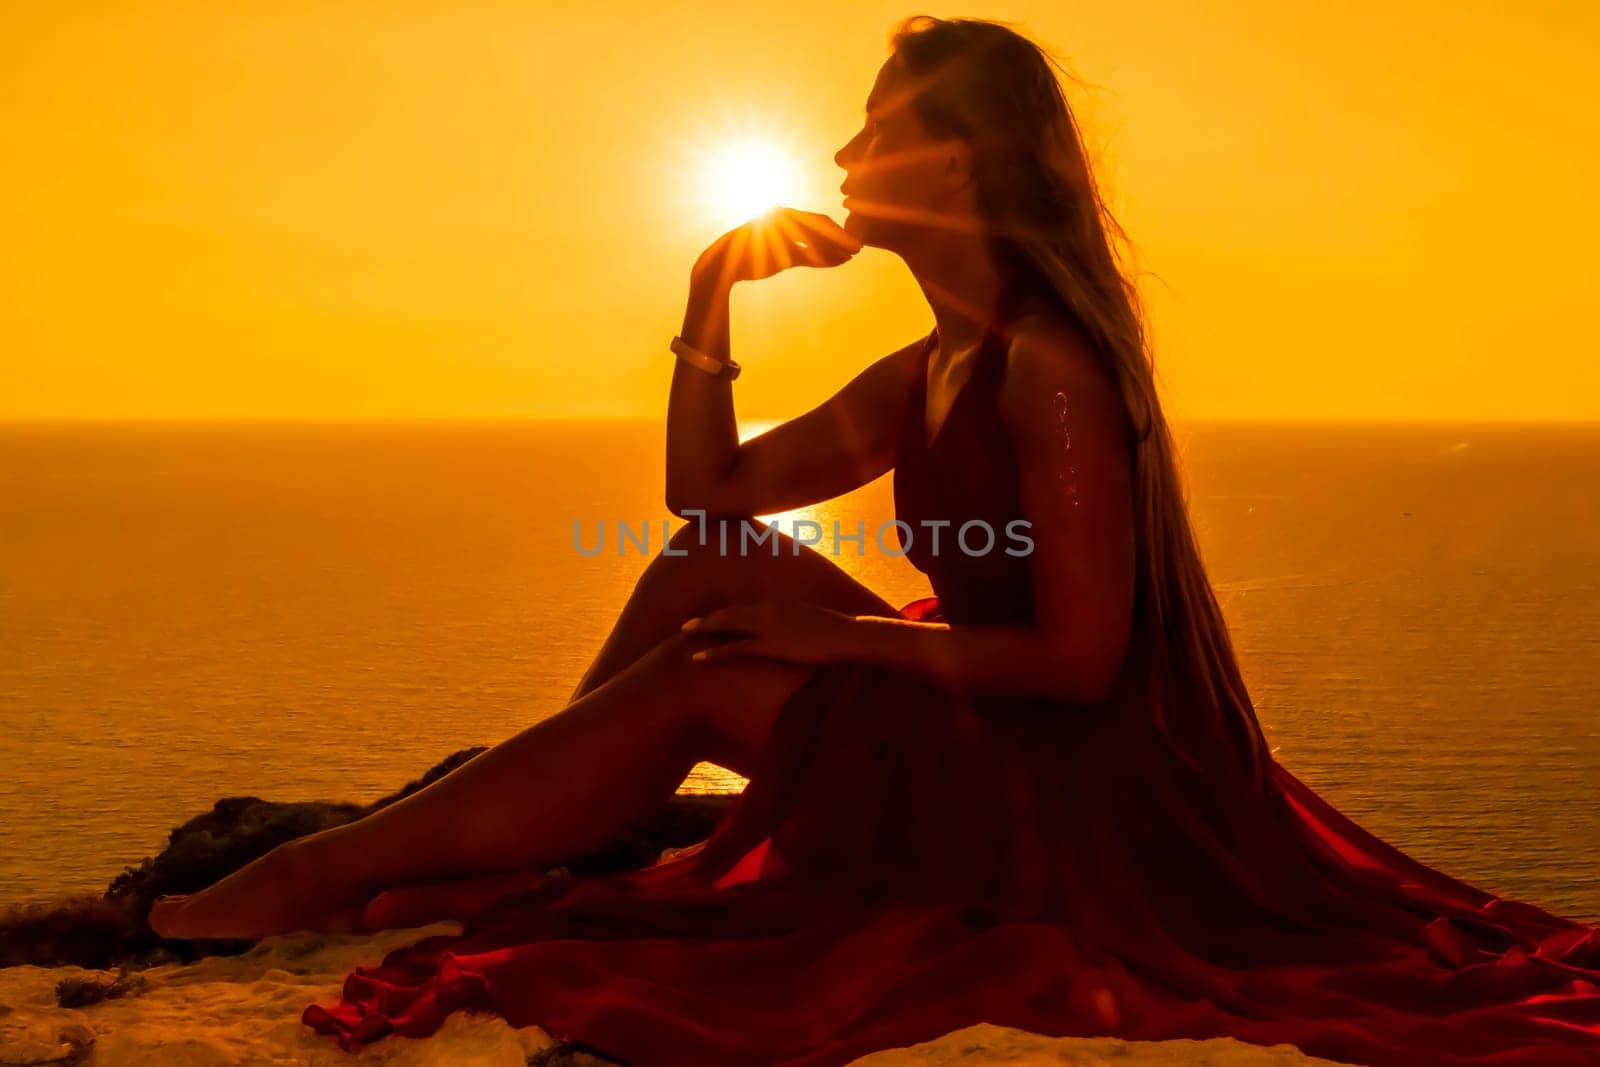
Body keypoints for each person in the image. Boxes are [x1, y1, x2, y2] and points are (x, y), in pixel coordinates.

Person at [151, 15, 1600, 1066]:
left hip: (1086, 787)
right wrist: (711, 289)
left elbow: (1083, 663)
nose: (843, 150)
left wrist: (832, 639)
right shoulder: (938, 360)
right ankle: (532, 842)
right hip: (988, 716)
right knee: (709, 579)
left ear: (962, 161)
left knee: (708, 665)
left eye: (879, 123)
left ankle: (309, 878)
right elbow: (708, 496)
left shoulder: (1047, 364)